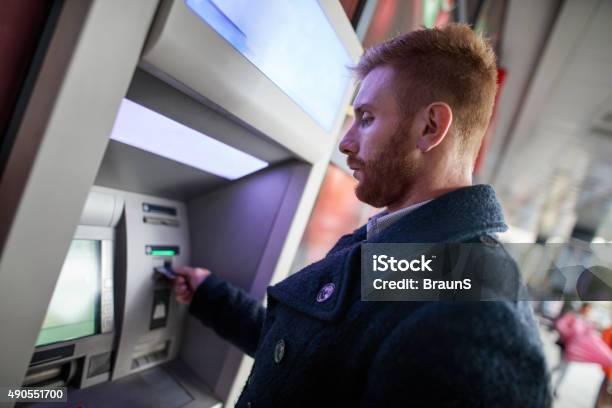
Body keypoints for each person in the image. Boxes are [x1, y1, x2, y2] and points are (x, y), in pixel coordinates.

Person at [174, 23, 551, 407]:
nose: (345, 142)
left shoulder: (473, 318)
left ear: (430, 126)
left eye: (367, 118)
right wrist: (211, 297)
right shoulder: (429, 259)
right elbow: (311, 359)